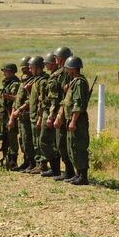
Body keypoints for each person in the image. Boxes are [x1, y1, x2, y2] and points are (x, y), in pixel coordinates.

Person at [60, 56, 90, 185]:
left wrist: (73, 121)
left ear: (72, 69)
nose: (66, 70)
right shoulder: (74, 82)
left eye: (67, 68)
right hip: (71, 119)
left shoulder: (79, 83)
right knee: (72, 147)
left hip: (77, 120)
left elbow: (78, 104)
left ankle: (83, 176)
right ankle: (78, 174)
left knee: (78, 147)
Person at [48, 47, 75, 181]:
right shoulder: (60, 72)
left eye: (57, 57)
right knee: (60, 143)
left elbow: (62, 96)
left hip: (63, 111)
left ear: (63, 58)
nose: (55, 59)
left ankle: (70, 171)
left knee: (63, 143)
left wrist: (57, 114)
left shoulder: (65, 73)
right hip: (60, 110)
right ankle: (67, 171)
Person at [24, 56, 49, 174]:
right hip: (33, 115)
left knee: (40, 141)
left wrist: (39, 117)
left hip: (38, 116)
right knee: (35, 141)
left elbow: (42, 101)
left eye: (31, 67)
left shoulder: (43, 81)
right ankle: (38, 163)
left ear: (38, 68)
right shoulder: (36, 80)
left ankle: (43, 164)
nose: (29, 69)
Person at [10, 56, 35, 171]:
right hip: (20, 114)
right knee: (23, 140)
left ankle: (31, 162)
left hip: (27, 114)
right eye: (23, 68)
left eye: (26, 68)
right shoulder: (23, 80)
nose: (24, 70)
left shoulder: (34, 81)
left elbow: (30, 100)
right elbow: (18, 98)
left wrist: (19, 109)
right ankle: (26, 161)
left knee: (28, 140)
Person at [39, 52, 62, 177]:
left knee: (46, 140)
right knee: (48, 141)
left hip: (51, 112)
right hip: (48, 111)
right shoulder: (53, 76)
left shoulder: (56, 77)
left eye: (47, 63)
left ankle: (55, 169)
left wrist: (51, 115)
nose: (46, 66)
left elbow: (54, 98)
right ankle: (55, 169)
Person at [0, 63, 20, 170]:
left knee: (12, 138)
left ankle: (12, 162)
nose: (3, 73)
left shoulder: (14, 84)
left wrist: (8, 96)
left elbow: (18, 99)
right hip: (4, 115)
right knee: (5, 137)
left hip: (11, 114)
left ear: (11, 72)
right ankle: (5, 159)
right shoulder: (6, 83)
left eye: (5, 71)